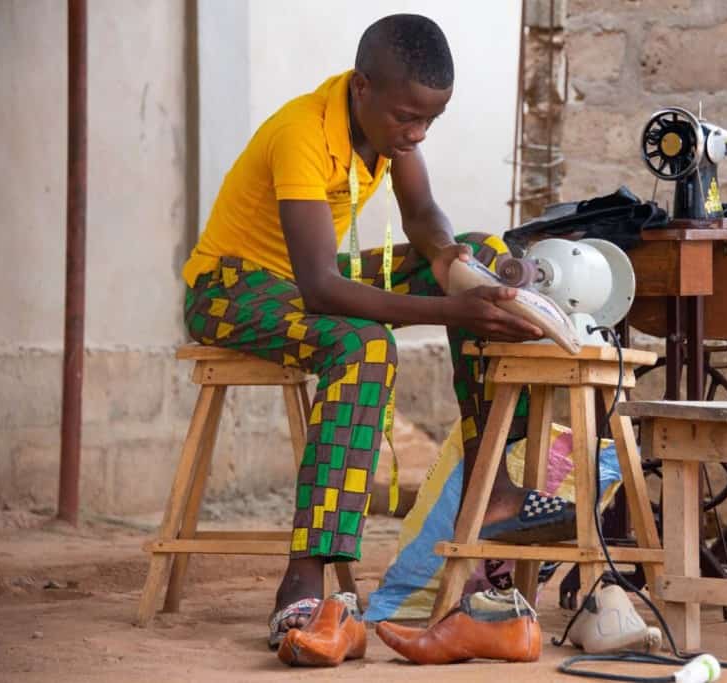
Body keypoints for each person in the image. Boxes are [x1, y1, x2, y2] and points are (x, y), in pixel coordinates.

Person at [181, 14, 571, 666]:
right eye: (406, 119)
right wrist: (451, 308)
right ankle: (305, 576)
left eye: (429, 122)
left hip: (303, 281)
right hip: (232, 288)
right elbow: (319, 287)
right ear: (362, 88)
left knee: (481, 251)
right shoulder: (301, 133)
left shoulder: (388, 127)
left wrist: (466, 268)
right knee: (363, 345)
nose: (415, 134)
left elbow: (422, 218)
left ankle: (492, 484)